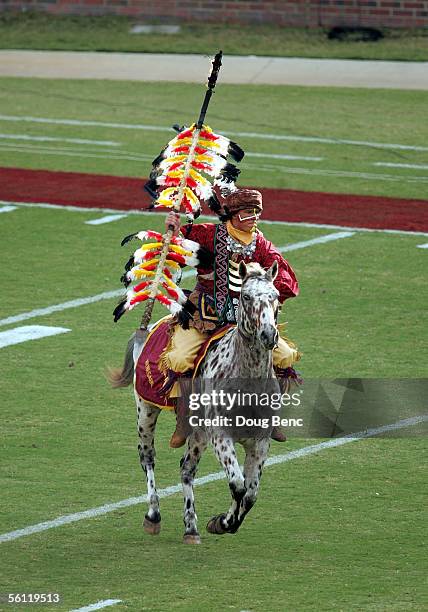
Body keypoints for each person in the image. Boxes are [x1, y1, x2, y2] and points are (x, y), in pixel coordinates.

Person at [163, 188, 301, 447]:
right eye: (249, 212)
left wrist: (269, 292)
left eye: (257, 212)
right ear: (234, 215)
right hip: (207, 315)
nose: (255, 217)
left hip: (249, 321)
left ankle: (273, 417)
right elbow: (174, 251)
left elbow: (283, 276)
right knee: (180, 358)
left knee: (284, 356)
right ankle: (184, 420)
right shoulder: (208, 234)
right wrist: (171, 232)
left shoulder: (261, 245)